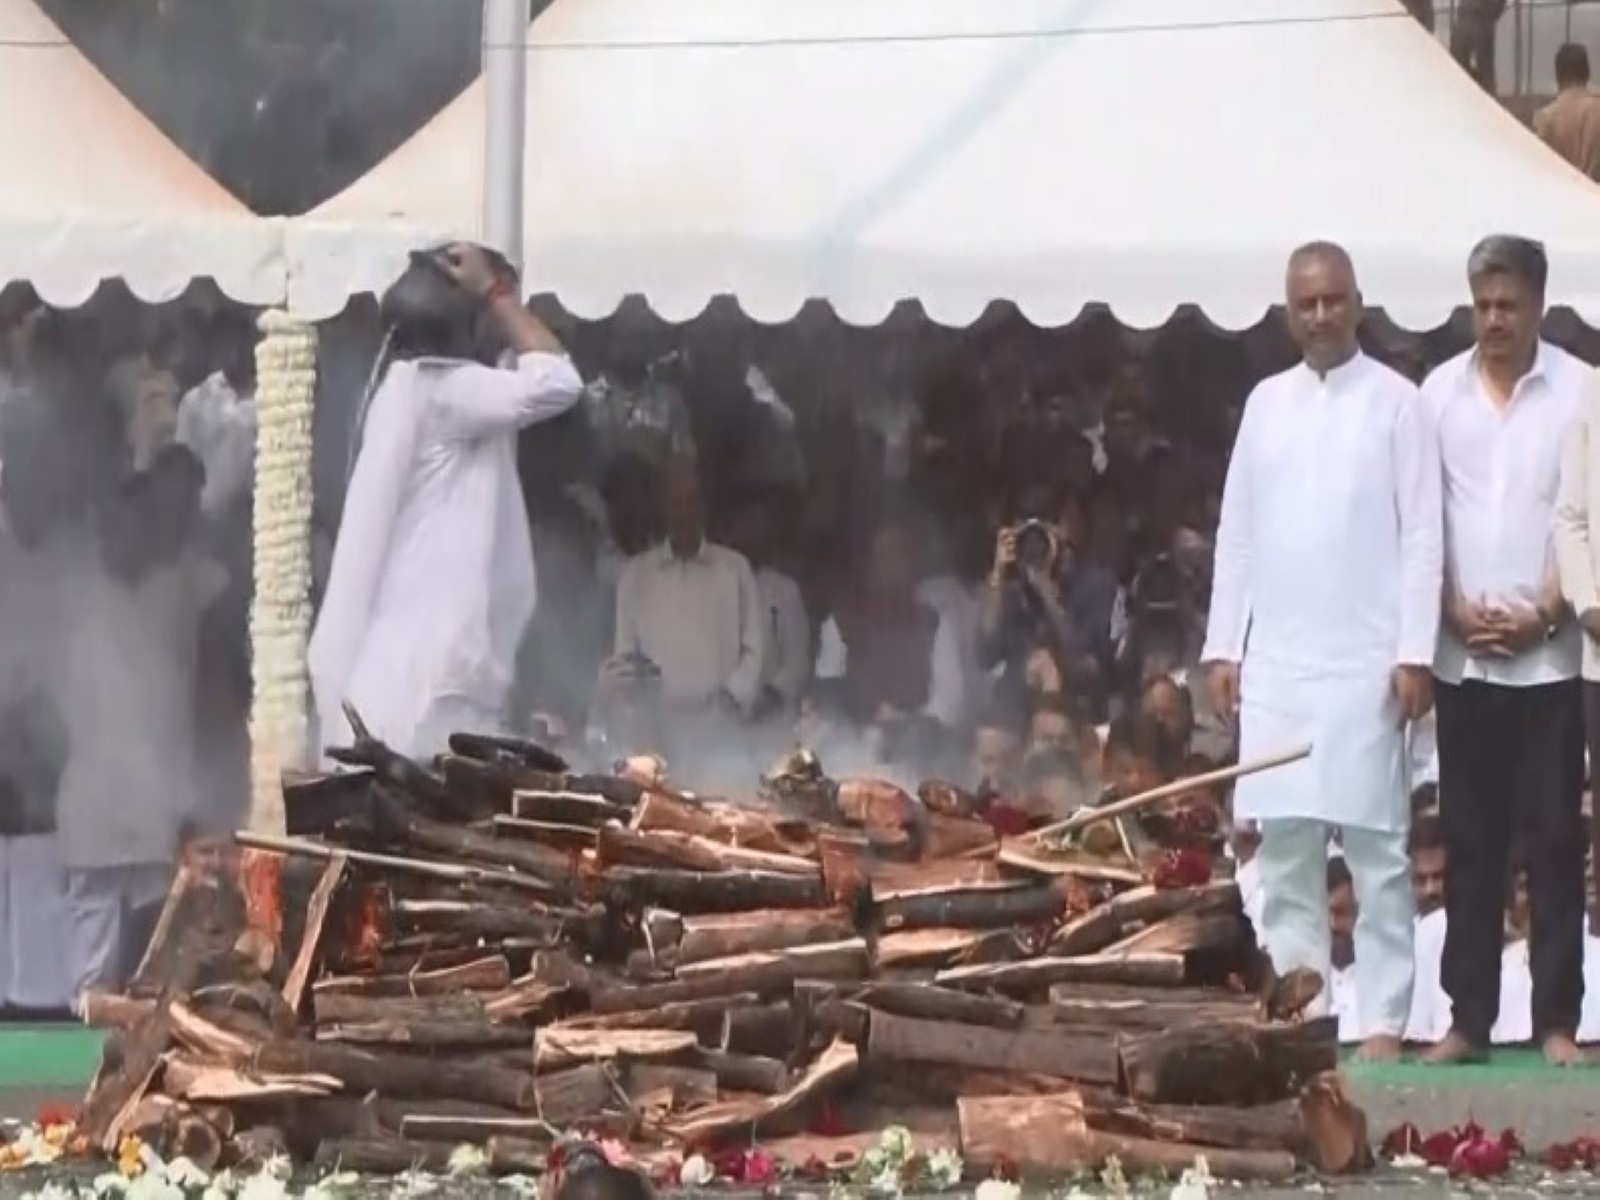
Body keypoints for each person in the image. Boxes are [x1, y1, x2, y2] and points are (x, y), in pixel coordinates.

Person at [1203, 242, 1442, 1062]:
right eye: (1305, 303)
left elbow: (1422, 540)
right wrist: (1221, 648)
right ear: (1287, 311)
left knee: (1377, 849)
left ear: (1357, 302)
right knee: (1289, 847)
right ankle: (1303, 1009)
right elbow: (1236, 536)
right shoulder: (1264, 404)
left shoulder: (1399, 403)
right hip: (1278, 665)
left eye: (1334, 300)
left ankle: (1382, 1020)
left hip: (1368, 662)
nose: (1320, 316)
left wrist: (1416, 651)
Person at [309, 243, 584, 759]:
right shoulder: (445, 391)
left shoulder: (407, 387)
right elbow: (558, 381)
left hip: (397, 680)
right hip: (430, 688)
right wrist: (495, 292)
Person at [1426, 236, 1590, 1067]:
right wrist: (1449, 608)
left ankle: (1557, 1021)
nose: (1494, 319)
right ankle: (1468, 1019)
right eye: (1483, 304)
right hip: (1465, 657)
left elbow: (1588, 516)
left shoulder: (1582, 394)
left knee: (1556, 837)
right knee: (1471, 840)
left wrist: (1552, 613)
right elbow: (1427, 521)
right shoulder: (1438, 395)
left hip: (1550, 659)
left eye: (1509, 305)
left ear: (1540, 305)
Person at [606, 458, 765, 735]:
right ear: (663, 509)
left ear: (704, 508)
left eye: (691, 503)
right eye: (675, 504)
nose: (683, 513)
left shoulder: (735, 569)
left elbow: (754, 651)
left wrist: (732, 699)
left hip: (722, 732)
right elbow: (625, 659)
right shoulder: (635, 575)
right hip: (656, 732)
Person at [1534, 45, 1600, 183]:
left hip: (1563, 197)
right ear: (1586, 73)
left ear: (1559, 75)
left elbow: (1540, 169)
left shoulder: (1546, 117)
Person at [1451, 0, 1505, 93]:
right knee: (1458, 63)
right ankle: (1461, 97)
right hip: (1463, 16)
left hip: (1481, 19)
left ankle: (1487, 99)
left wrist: (1490, 16)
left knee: (1484, 67)